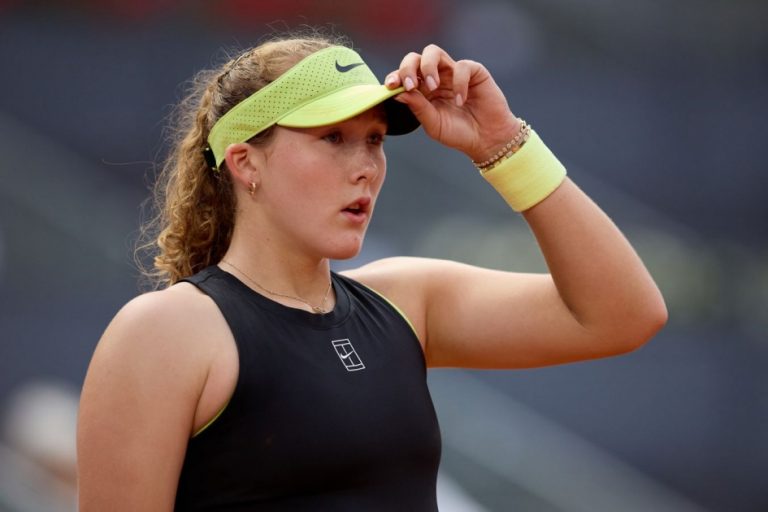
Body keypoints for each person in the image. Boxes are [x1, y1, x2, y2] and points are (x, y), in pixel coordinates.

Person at [76, 32, 667, 511]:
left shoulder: (406, 301)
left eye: (375, 140)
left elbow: (624, 315)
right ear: (245, 162)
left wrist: (501, 143)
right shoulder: (166, 332)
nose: (365, 166)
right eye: (333, 137)